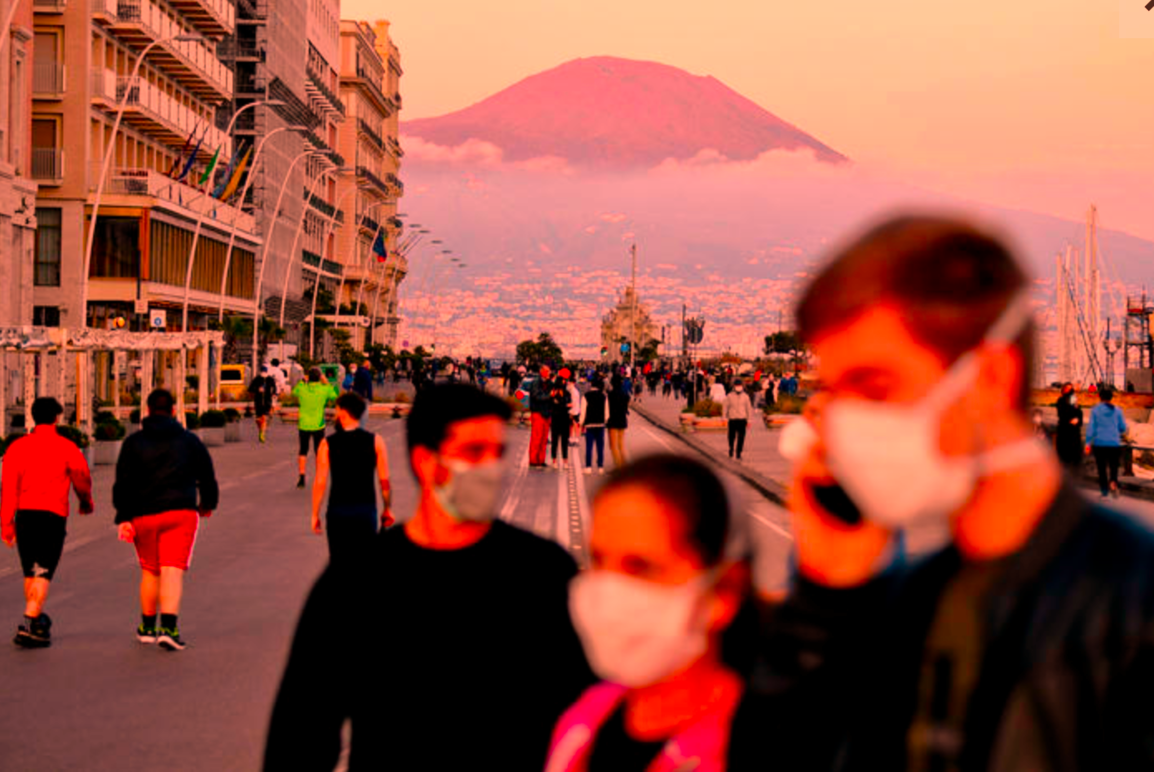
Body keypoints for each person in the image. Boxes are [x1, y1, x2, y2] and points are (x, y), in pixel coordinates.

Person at [762, 216, 1154, 770]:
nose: (838, 423)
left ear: (989, 378)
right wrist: (826, 598)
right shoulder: (909, 602)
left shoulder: (1131, 609)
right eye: (833, 391)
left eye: (873, 386)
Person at [265, 384, 593, 770]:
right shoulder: (357, 582)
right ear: (425, 461)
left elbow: (585, 715)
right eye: (475, 452)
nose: (492, 468)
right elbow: (299, 736)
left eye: (498, 453)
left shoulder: (541, 571)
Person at [545, 455, 760, 771]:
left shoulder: (757, 746)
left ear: (723, 590)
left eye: (640, 567)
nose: (609, 591)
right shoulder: (585, 717)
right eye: (598, 561)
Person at [113, 389, 218, 651]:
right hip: (180, 512)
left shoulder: (133, 443)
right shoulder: (189, 441)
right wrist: (207, 504)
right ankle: (169, 628)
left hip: (143, 514)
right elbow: (207, 475)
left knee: (150, 570)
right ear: (173, 411)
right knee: (172, 570)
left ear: (147, 411)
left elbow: (123, 483)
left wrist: (123, 516)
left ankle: (147, 627)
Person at [1, 397, 94, 648]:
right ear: (56, 418)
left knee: (30, 571)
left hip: (25, 516)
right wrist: (85, 500)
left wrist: (6, 523)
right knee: (43, 572)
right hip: (52, 516)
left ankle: (37, 621)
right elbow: (81, 476)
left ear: (33, 417)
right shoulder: (66, 447)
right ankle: (30, 622)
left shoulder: (17, 448)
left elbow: (8, 487)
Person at [310, 392, 392, 564]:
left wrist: (315, 514)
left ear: (343, 412)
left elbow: (320, 482)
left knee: (339, 563)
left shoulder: (327, 444)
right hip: (366, 511)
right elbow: (384, 481)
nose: (335, 413)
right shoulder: (376, 441)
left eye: (336, 409)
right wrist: (387, 509)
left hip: (338, 512)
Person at [293, 367, 338, 489]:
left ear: (309, 377)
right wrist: (326, 382)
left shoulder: (302, 388)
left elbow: (294, 392)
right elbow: (335, 395)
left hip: (304, 424)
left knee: (303, 450)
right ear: (319, 378)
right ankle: (319, 477)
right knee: (319, 452)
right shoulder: (324, 389)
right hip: (318, 425)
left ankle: (302, 477)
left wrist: (303, 380)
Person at [1086, 385, 1128, 500]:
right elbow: (1123, 428)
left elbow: (1091, 428)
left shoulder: (1095, 410)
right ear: (1111, 398)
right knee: (1114, 466)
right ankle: (1113, 482)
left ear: (1100, 397)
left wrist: (1087, 443)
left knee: (1101, 468)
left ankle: (1104, 492)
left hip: (1099, 443)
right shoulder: (1118, 411)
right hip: (1114, 443)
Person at [580, 375, 610, 475]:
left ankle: (588, 467)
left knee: (589, 447)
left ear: (591, 385)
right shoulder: (603, 396)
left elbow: (583, 412)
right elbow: (607, 413)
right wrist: (604, 421)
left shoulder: (586, 396)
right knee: (600, 447)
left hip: (589, 425)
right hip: (600, 425)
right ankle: (600, 467)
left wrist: (581, 423)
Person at [1055, 382, 1084, 474]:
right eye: (1068, 388)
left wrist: (1078, 420)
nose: (1070, 390)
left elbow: (1077, 412)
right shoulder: (1061, 400)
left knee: (1075, 458)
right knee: (1065, 457)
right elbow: (1063, 413)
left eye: (1071, 388)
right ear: (1063, 390)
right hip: (1065, 432)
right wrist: (1070, 420)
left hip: (1074, 433)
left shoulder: (1073, 399)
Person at [529, 365, 554, 468]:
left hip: (546, 413)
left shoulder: (549, 383)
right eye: (547, 371)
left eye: (549, 371)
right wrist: (549, 396)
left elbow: (552, 391)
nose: (549, 373)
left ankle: (541, 460)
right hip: (538, 412)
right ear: (541, 371)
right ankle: (533, 460)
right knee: (537, 437)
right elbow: (536, 396)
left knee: (544, 438)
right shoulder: (536, 382)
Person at [723, 379, 753, 461]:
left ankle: (738, 453)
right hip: (732, 419)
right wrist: (724, 418)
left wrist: (749, 420)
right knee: (731, 436)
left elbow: (749, 409)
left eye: (739, 385)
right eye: (737, 385)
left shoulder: (745, 396)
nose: (738, 387)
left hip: (742, 419)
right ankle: (731, 448)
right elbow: (725, 407)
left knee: (741, 437)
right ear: (734, 386)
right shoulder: (729, 396)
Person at [249, 365, 277, 444]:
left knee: (264, 417)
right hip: (258, 401)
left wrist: (274, 393)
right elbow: (250, 389)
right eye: (262, 372)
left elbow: (274, 387)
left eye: (264, 372)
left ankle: (262, 433)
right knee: (258, 419)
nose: (263, 373)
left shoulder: (270, 379)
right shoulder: (257, 379)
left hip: (267, 401)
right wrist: (257, 389)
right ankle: (261, 430)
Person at [607, 373, 631, 468]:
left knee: (613, 446)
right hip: (622, 420)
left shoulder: (610, 395)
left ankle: (619, 467)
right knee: (621, 444)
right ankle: (623, 464)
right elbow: (627, 406)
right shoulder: (625, 395)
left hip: (612, 421)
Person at [550, 374, 573, 470]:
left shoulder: (567, 393)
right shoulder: (553, 392)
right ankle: (554, 461)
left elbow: (570, 405)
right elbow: (554, 404)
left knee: (564, 441)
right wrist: (565, 405)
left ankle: (565, 461)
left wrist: (563, 405)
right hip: (556, 419)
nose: (565, 382)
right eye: (563, 381)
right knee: (555, 441)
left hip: (564, 419)